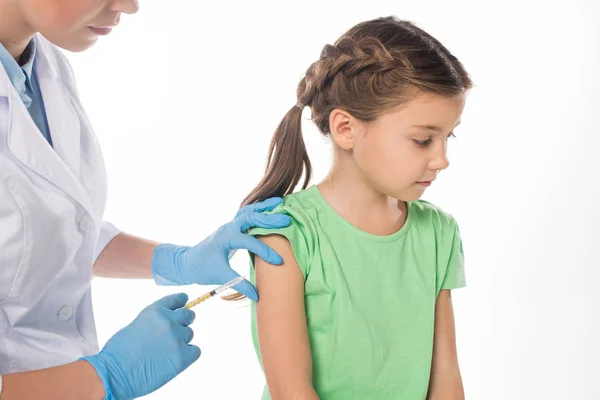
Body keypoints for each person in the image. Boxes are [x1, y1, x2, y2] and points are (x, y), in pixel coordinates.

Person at [0, 0, 291, 399]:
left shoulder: (39, 63)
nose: (130, 6)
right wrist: (106, 378)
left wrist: (179, 260)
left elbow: (48, 230)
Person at [243, 16, 472, 399]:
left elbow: (445, 374)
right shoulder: (286, 233)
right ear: (346, 128)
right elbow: (291, 390)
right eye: (423, 140)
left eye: (448, 137)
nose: (442, 159)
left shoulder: (438, 234)